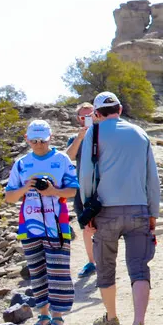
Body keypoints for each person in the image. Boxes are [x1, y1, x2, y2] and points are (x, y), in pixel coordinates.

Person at [78, 92, 160, 325]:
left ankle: (111, 318)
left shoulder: (94, 133)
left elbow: (86, 175)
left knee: (105, 267)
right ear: (120, 109)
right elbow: (152, 178)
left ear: (96, 114)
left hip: (105, 211)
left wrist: (87, 212)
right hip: (139, 208)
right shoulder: (140, 133)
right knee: (139, 268)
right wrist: (153, 212)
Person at [5, 120, 78, 325]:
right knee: (37, 272)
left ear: (50, 138)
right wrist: (25, 188)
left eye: (43, 140)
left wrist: (54, 191)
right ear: (27, 139)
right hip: (29, 225)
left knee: (58, 271)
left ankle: (58, 317)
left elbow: (74, 190)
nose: (39, 144)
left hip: (57, 225)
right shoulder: (21, 163)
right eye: (34, 140)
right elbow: (9, 197)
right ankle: (43, 315)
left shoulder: (61, 159)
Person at [65, 102, 97, 278]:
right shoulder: (75, 138)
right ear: (78, 119)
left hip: (102, 186)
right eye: (83, 116)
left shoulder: (104, 134)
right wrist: (79, 138)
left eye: (90, 115)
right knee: (86, 225)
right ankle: (91, 262)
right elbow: (68, 157)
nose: (87, 119)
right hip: (81, 188)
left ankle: (106, 261)